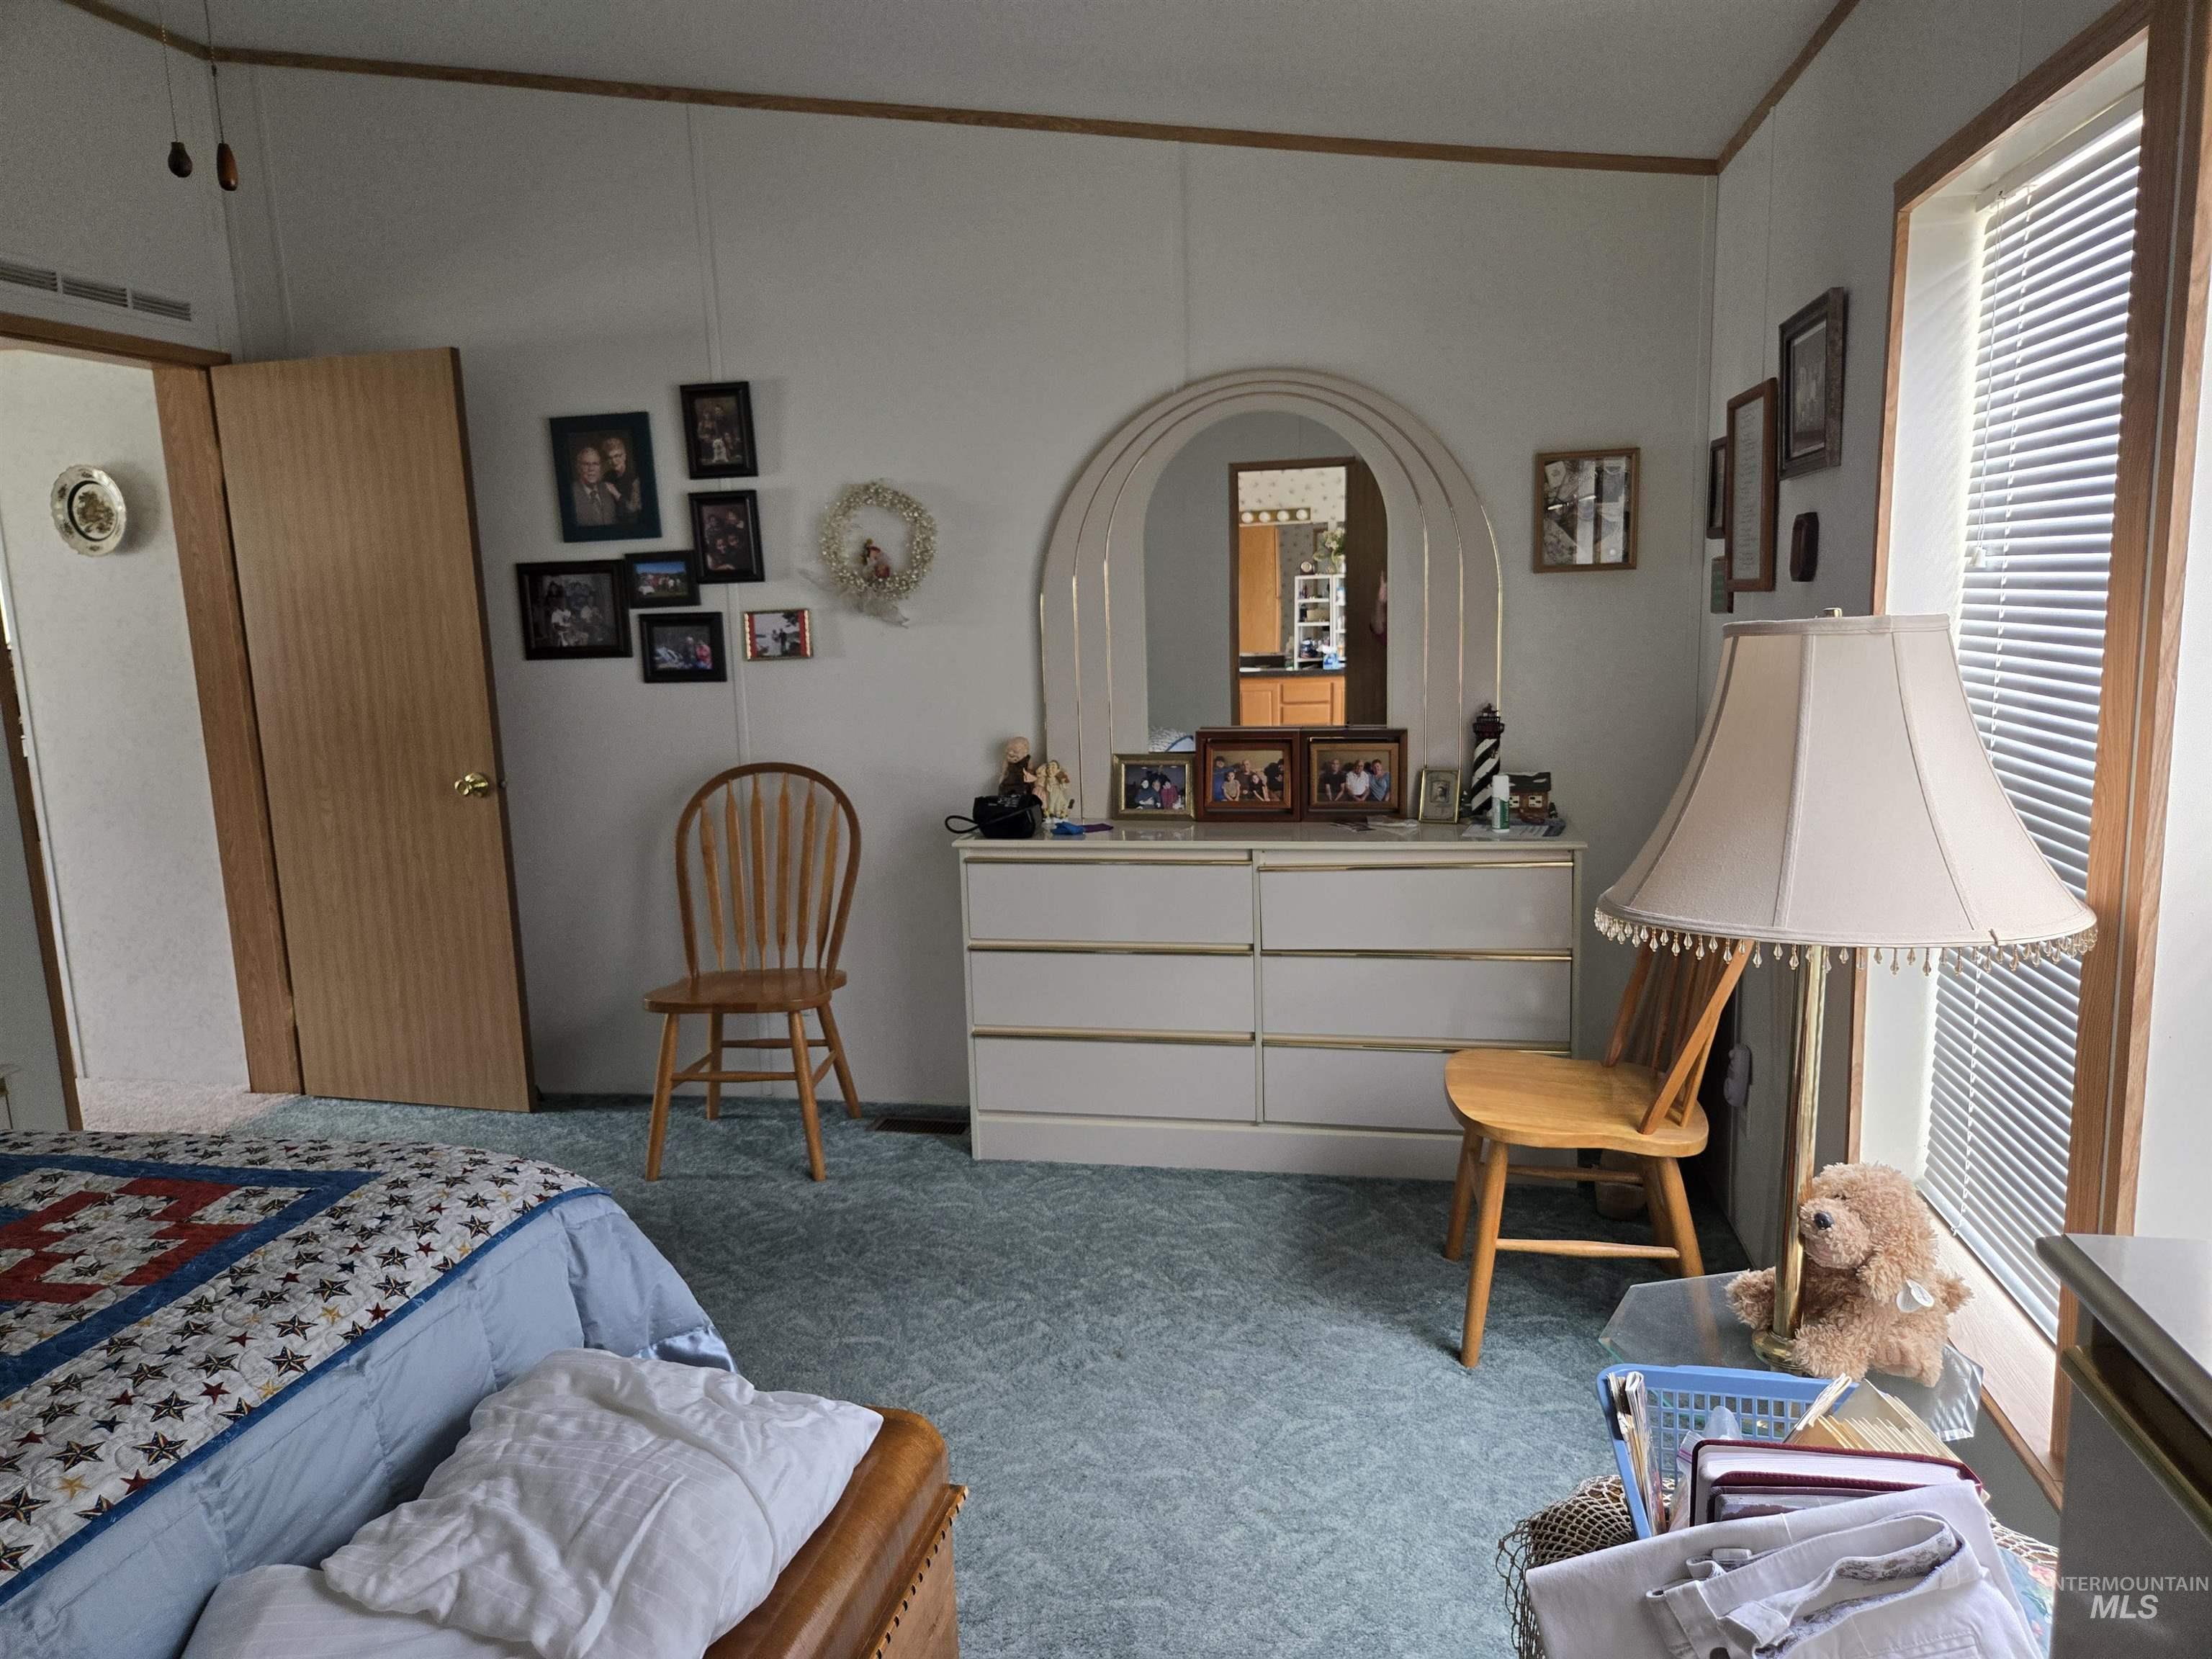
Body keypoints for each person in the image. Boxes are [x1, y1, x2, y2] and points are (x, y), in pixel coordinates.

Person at [599, 433, 645, 525]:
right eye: (610, 458)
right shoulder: (607, 477)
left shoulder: (635, 478)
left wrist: (615, 493)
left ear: (624, 456)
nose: (614, 461)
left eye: (617, 456)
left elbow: (634, 510)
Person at [569, 446, 616, 528]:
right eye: (586, 464)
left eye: (595, 464)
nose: (591, 469)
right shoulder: (571, 493)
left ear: (600, 467)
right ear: (578, 468)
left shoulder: (608, 490)